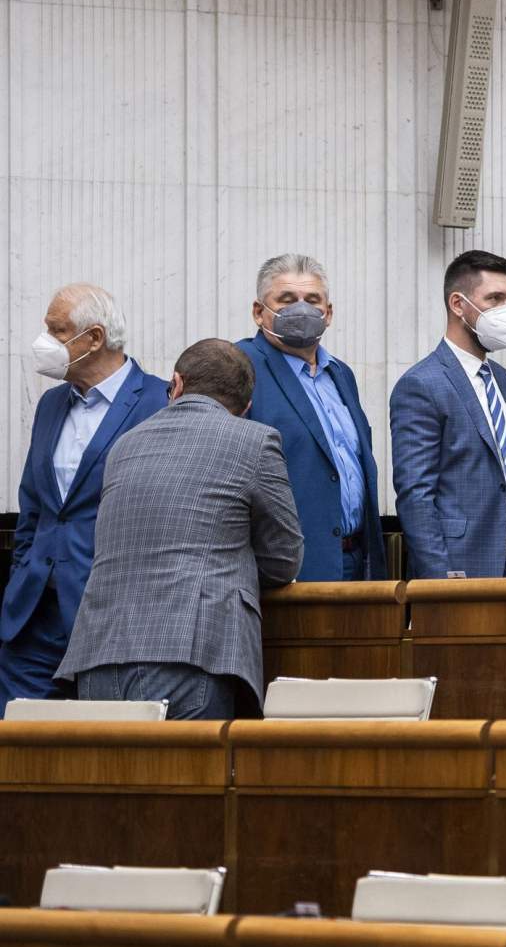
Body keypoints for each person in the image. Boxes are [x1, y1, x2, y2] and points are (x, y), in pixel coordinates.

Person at [55, 339, 302, 720]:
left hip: (99, 652)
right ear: (246, 406)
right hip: (193, 652)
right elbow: (284, 559)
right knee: (186, 779)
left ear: (177, 383)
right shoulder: (255, 440)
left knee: (114, 780)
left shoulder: (123, 445)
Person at [1, 285, 168, 708]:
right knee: (21, 754)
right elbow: (35, 506)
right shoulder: (52, 404)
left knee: (97, 754)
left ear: (94, 338)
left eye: (57, 331)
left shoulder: (160, 401)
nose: (44, 343)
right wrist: (23, 569)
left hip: (112, 616)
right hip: (33, 617)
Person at [391, 251, 506, 580]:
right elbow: (416, 495)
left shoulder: (502, 380)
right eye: (494, 299)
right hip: (462, 567)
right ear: (458, 304)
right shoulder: (421, 384)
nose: (505, 311)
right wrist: (438, 579)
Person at [238, 254, 386, 581]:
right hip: (285, 572)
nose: (301, 308)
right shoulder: (240, 367)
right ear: (259, 312)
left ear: (328, 313)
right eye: (287, 300)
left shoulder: (341, 374)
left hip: (356, 562)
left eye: (312, 300)